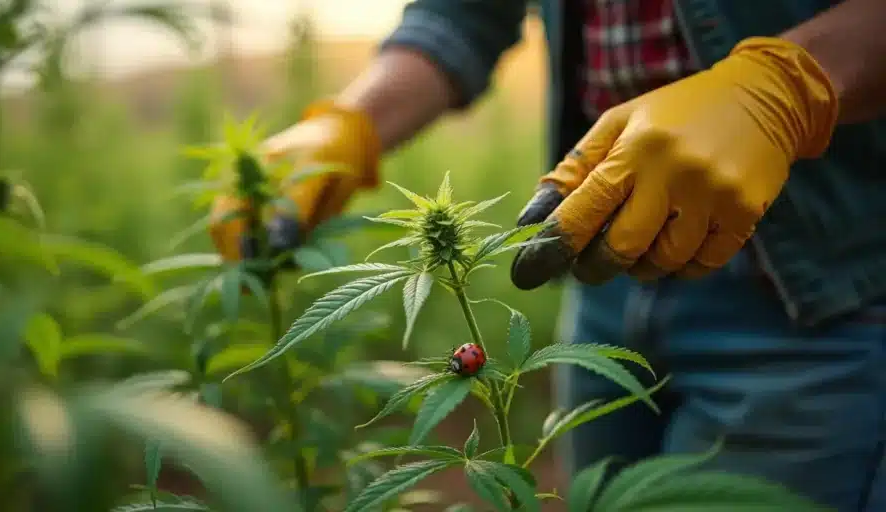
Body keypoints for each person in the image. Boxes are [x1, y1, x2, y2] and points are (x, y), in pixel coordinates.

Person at [208, 1, 886, 510]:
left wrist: (788, 87)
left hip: (812, 283)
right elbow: (467, 11)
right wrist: (349, 123)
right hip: (598, 262)